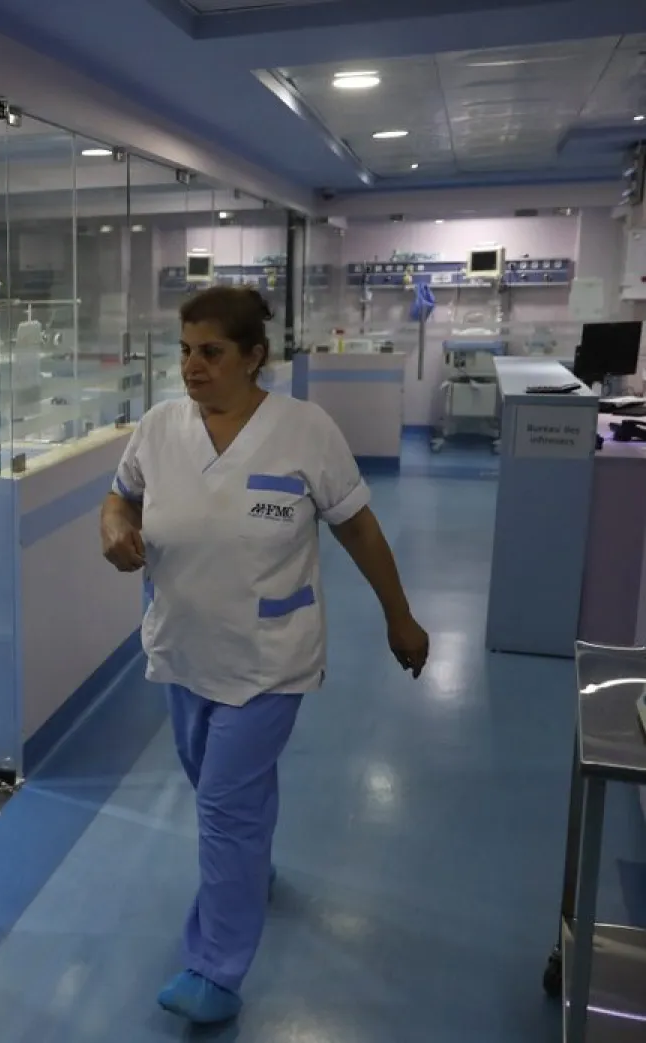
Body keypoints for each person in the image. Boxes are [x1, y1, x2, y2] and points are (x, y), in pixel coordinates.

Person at [100, 286, 429, 1025]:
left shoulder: (304, 431)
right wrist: (114, 530)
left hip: (269, 660)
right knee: (220, 792)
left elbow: (359, 531)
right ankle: (251, 868)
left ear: (255, 356)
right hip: (182, 651)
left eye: (210, 352)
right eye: (184, 350)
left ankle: (214, 968)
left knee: (222, 804)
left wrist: (400, 617)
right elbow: (118, 497)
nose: (192, 366)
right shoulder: (158, 428)